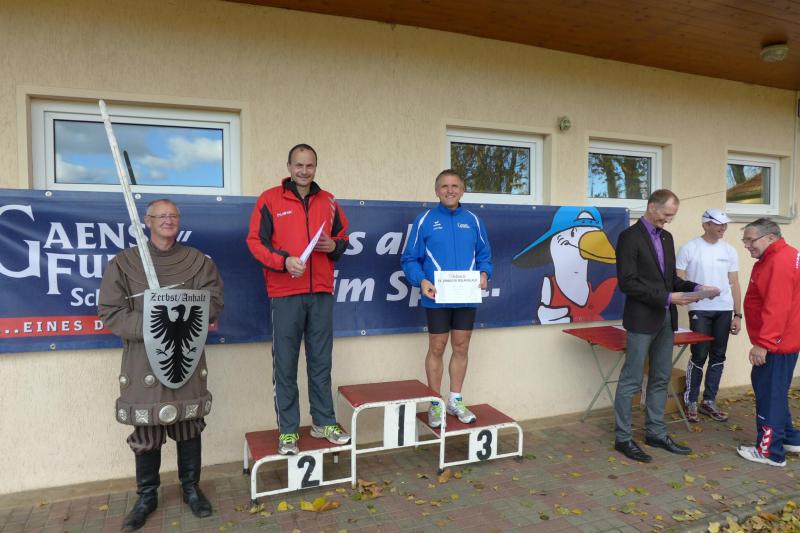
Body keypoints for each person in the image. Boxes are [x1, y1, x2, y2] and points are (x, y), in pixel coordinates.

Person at [98, 199, 224, 531]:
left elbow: (213, 302)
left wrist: (179, 319)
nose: (168, 220)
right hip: (143, 360)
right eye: (161, 216)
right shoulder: (123, 264)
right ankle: (146, 497)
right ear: (148, 221)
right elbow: (111, 311)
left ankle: (191, 489)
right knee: (147, 429)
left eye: (173, 216)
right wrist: (156, 324)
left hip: (185, 355)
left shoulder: (199, 263)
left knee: (189, 425)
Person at [246, 143, 350, 455]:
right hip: (285, 293)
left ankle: (324, 422)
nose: (304, 171)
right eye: (299, 165)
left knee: (321, 362)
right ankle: (289, 431)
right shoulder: (270, 199)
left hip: (320, 292)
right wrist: (283, 262)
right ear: (289, 167)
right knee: (285, 365)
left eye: (309, 165)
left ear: (315, 167)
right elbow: (255, 242)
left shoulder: (329, 200)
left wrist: (333, 246)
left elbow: (343, 237)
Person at [613, 189, 719, 463]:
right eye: (666, 214)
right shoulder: (629, 237)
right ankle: (623, 438)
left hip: (666, 319)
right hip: (641, 319)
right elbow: (628, 283)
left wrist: (697, 288)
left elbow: (670, 280)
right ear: (652, 207)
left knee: (660, 378)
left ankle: (656, 433)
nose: (669, 220)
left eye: (673, 216)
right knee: (631, 380)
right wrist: (668, 298)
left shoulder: (667, 237)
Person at [401, 169, 492, 427]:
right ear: (436, 190)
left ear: (462, 190)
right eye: (444, 186)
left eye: (454, 186)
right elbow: (409, 259)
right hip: (437, 296)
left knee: (461, 346)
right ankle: (435, 403)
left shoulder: (474, 220)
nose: (449, 190)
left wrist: (484, 273)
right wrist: (421, 280)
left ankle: (455, 400)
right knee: (437, 347)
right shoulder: (424, 220)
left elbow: (484, 255)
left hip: (466, 296)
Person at [737, 218, 800, 467]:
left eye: (750, 240)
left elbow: (778, 306)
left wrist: (763, 343)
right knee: (775, 391)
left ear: (770, 237)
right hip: (784, 340)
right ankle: (789, 438)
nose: (746, 245)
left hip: (776, 343)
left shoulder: (779, 261)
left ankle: (770, 452)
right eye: (744, 240)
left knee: (769, 393)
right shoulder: (784, 255)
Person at [676, 208, 742, 423]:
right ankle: (691, 401)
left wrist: (738, 314)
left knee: (718, 355)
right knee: (699, 354)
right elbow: (679, 280)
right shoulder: (689, 248)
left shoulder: (730, 250)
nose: (723, 228)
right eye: (719, 224)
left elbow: (734, 283)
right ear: (706, 225)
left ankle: (709, 401)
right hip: (700, 309)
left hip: (724, 309)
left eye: (725, 224)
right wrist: (693, 296)